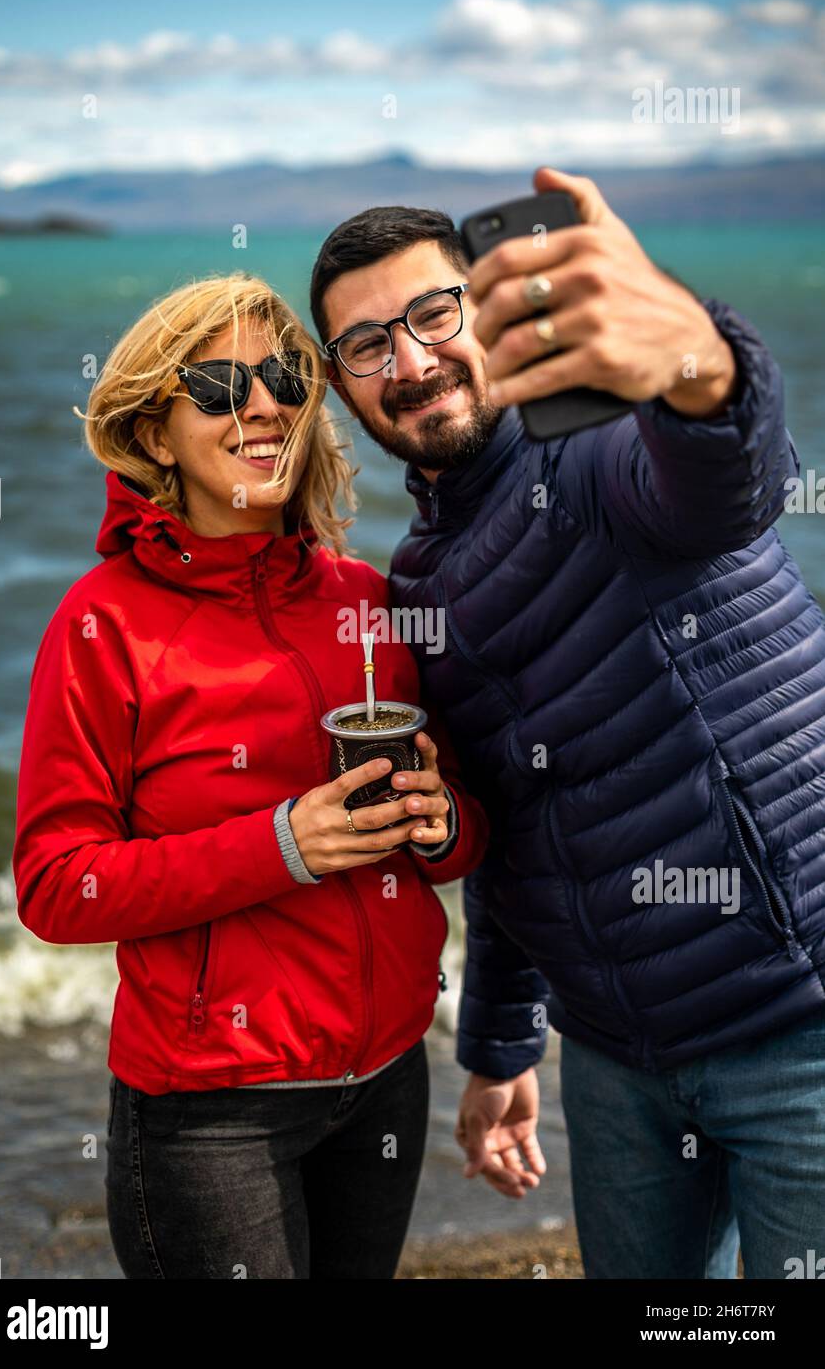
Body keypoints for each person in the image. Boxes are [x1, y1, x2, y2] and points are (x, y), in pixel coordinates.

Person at [309, 166, 825, 1279]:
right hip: (615, 1063)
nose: (408, 363)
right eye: (365, 347)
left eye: (432, 314)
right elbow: (507, 828)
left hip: (797, 1025)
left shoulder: (595, 449)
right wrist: (498, 1050)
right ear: (340, 386)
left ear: (486, 310)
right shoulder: (417, 583)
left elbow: (730, 474)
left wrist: (691, 352)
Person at [11, 271, 489, 1279]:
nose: (263, 404)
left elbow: (462, 839)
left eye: (281, 377)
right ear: (153, 433)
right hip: (211, 1115)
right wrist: (283, 844)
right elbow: (57, 885)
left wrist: (442, 822)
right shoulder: (102, 624)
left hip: (390, 1077)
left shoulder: (370, 600)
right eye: (221, 387)